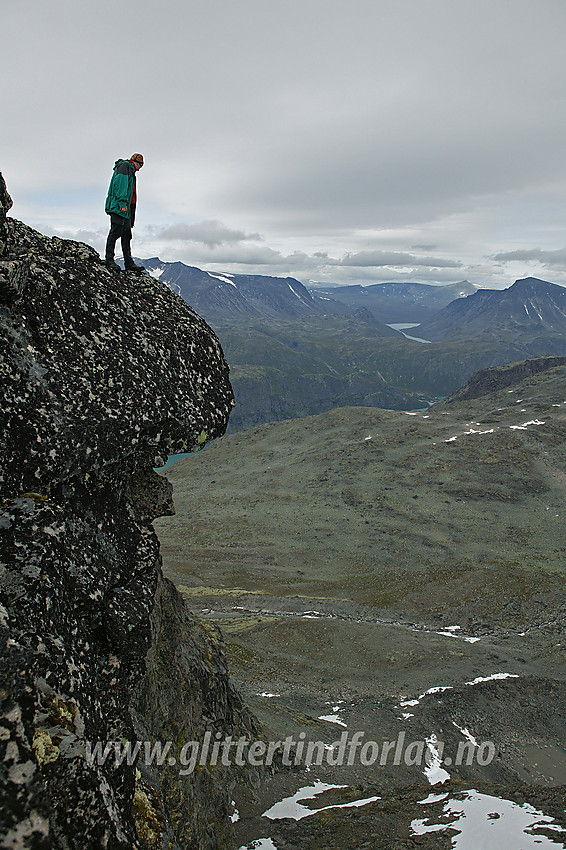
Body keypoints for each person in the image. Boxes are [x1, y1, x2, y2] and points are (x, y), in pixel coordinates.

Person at [104, 153, 145, 272]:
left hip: (126, 208)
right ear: (136, 162)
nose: (140, 168)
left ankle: (129, 263)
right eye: (140, 165)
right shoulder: (125, 166)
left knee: (127, 234)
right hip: (119, 206)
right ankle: (109, 260)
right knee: (116, 230)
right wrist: (122, 203)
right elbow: (120, 184)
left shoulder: (130, 170)